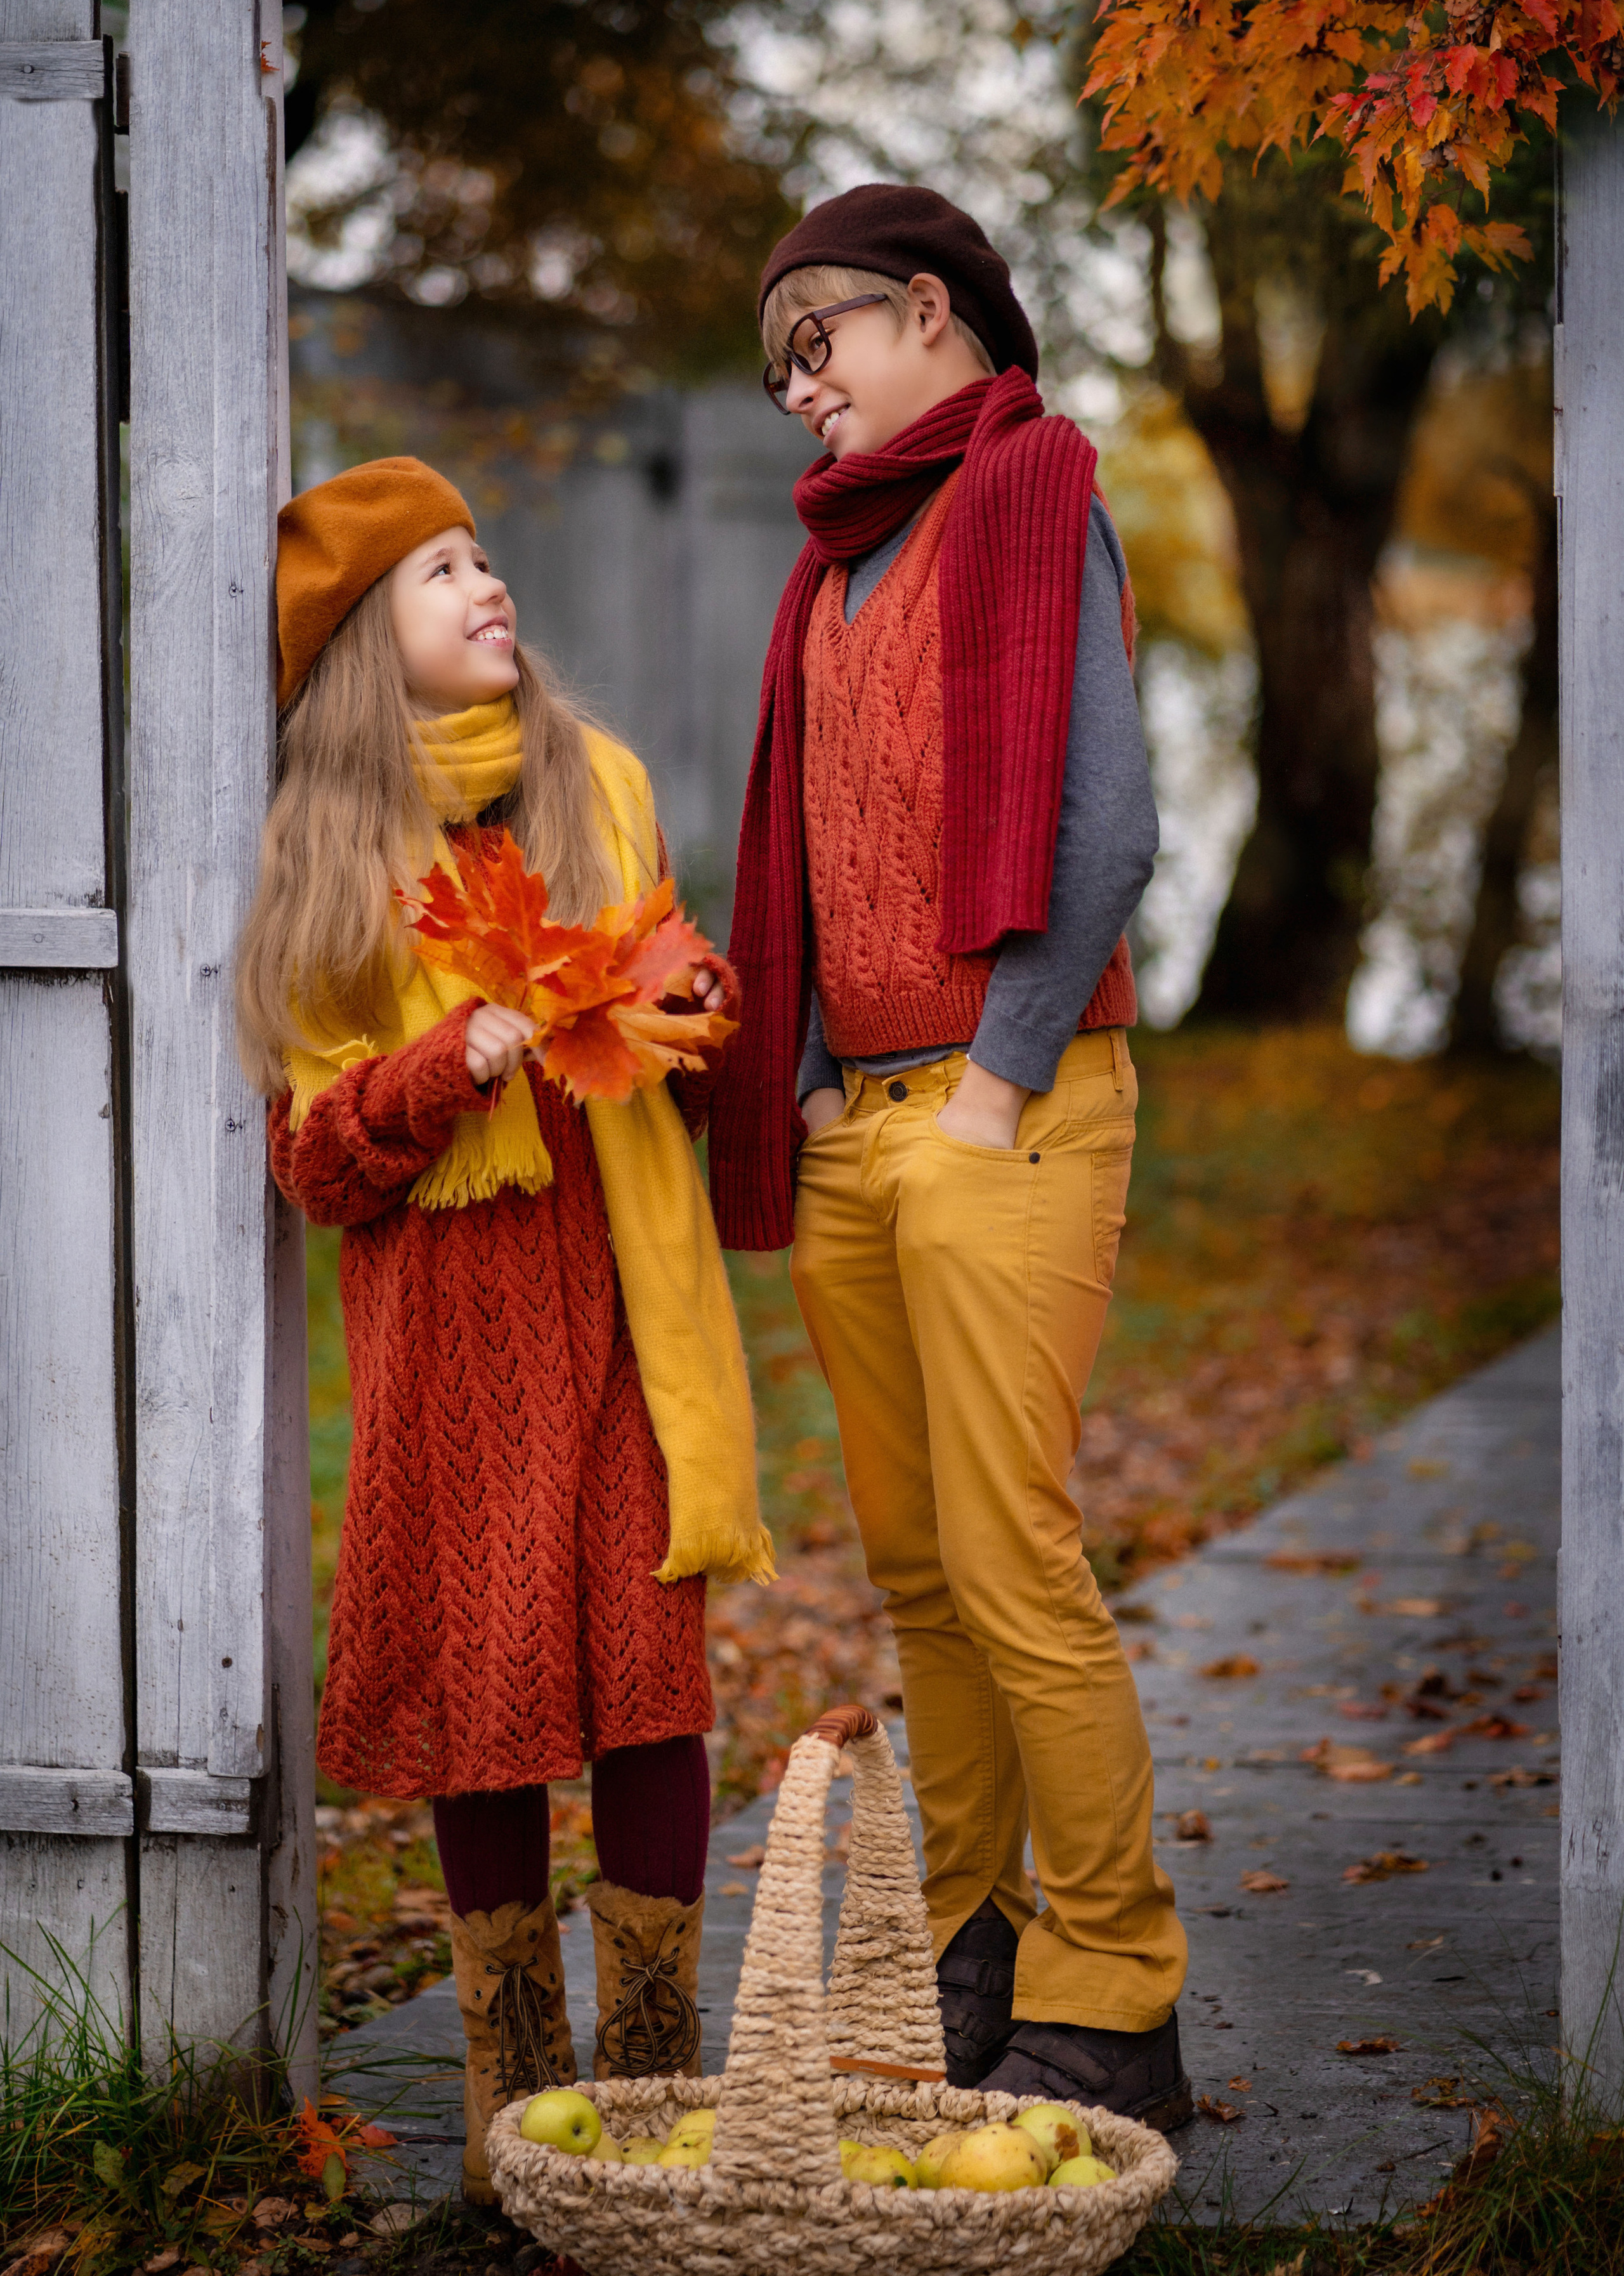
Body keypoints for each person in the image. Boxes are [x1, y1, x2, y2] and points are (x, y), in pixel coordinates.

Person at [236, 457, 771, 2201]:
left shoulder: (593, 780)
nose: (488, 585)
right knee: (488, 1692)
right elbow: (319, 1162)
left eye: (486, 557)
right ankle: (511, 2096)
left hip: (616, 1302)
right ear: (358, 652)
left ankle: (649, 2084)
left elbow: (669, 982)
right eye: (437, 574)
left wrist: (691, 1007)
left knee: (642, 1676)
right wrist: (437, 1062)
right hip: (451, 1344)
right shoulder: (332, 856)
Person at [710, 186, 1190, 2124]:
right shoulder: (822, 578)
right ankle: (969, 1950)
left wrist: (992, 1077)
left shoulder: (1034, 490)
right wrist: (814, 1076)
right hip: (860, 1129)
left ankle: (1119, 1992)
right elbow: (817, 846)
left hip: (1014, 1099)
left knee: (1015, 1562)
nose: (797, 392)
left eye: (812, 347)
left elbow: (1110, 825)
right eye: (775, 377)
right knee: (919, 1575)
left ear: (928, 308)